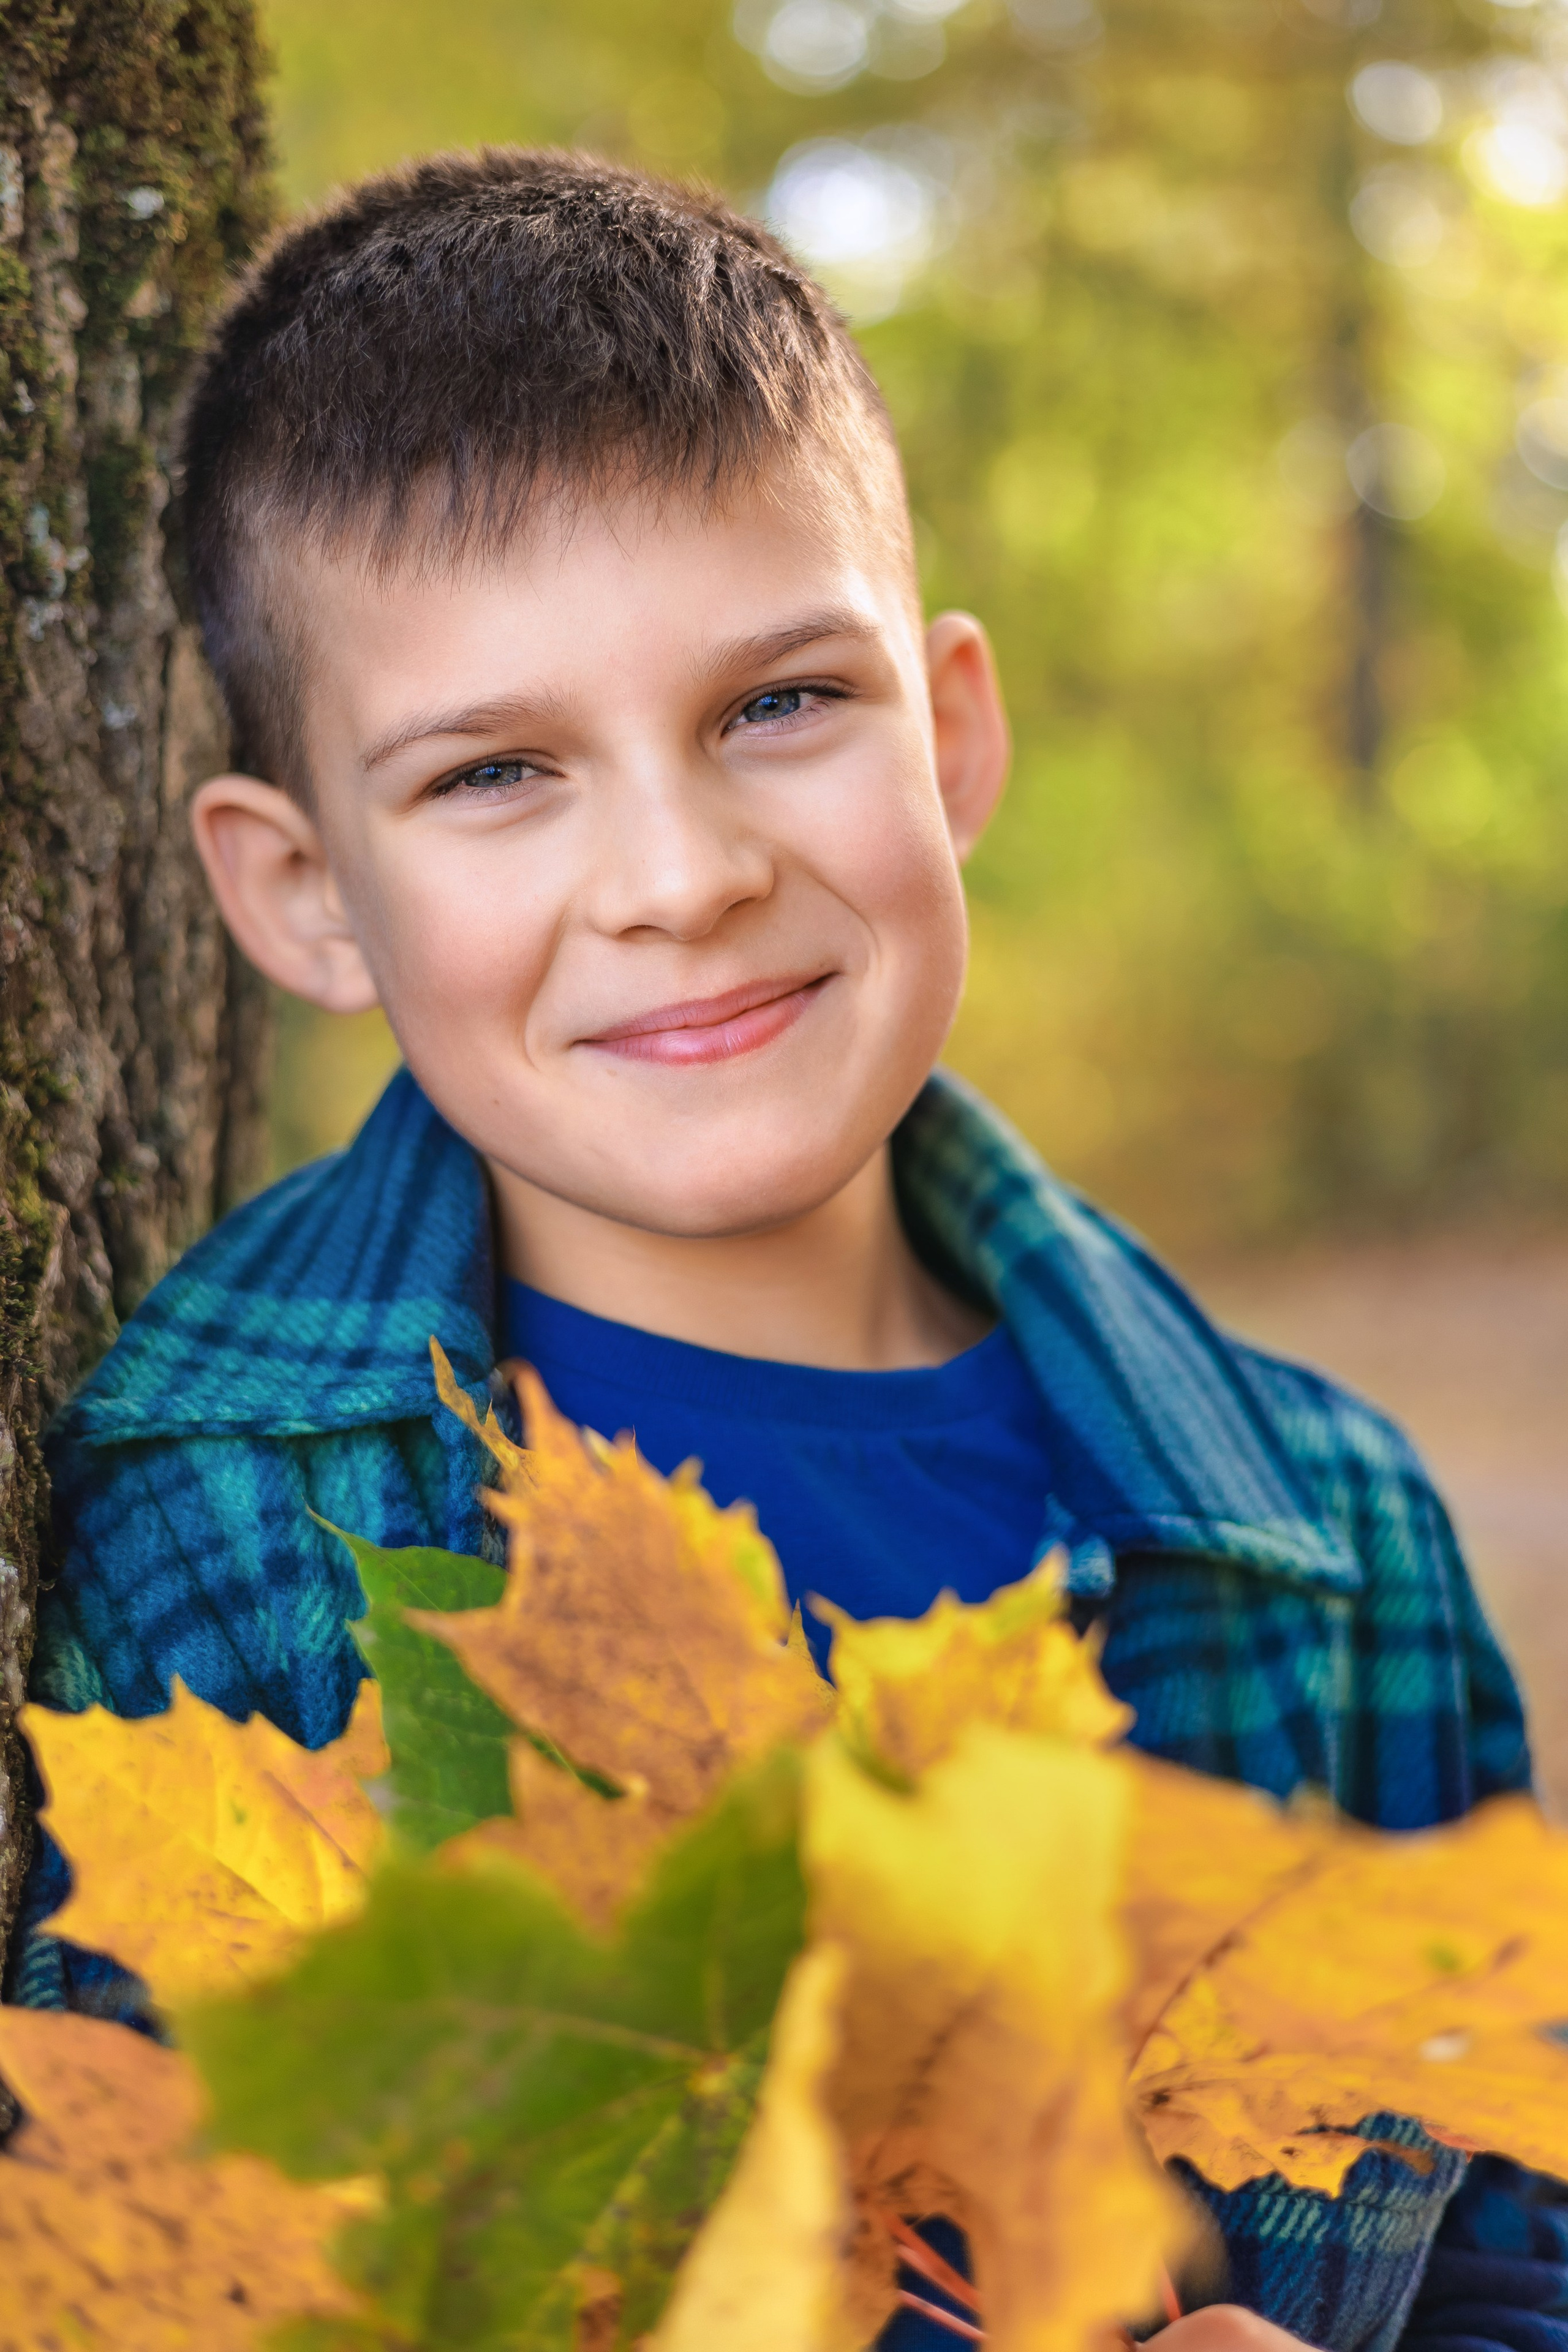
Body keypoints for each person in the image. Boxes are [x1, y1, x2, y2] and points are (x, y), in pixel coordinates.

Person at [7, 149, 1563, 2352]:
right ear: (301, 898)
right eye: (494, 775)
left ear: (953, 736)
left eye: (775, 708)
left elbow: (1514, 2238)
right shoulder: (244, 1535)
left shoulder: (1326, 1536)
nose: (680, 873)